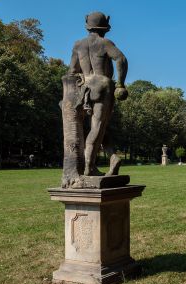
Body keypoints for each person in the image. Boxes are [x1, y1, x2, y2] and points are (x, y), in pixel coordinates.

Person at [68, 12, 128, 176]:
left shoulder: (78, 45)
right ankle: (89, 167)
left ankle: (112, 156)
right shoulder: (105, 43)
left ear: (88, 25)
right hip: (102, 85)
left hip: (85, 88)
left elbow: (72, 71)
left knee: (100, 126)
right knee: (98, 126)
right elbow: (121, 59)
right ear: (105, 27)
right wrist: (121, 83)